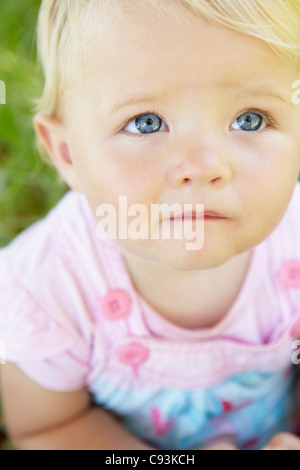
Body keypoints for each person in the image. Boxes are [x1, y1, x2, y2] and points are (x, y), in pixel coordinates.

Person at [1, 0, 300, 451]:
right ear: (67, 153)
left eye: (250, 119)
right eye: (146, 123)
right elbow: (48, 428)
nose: (203, 167)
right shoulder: (45, 291)